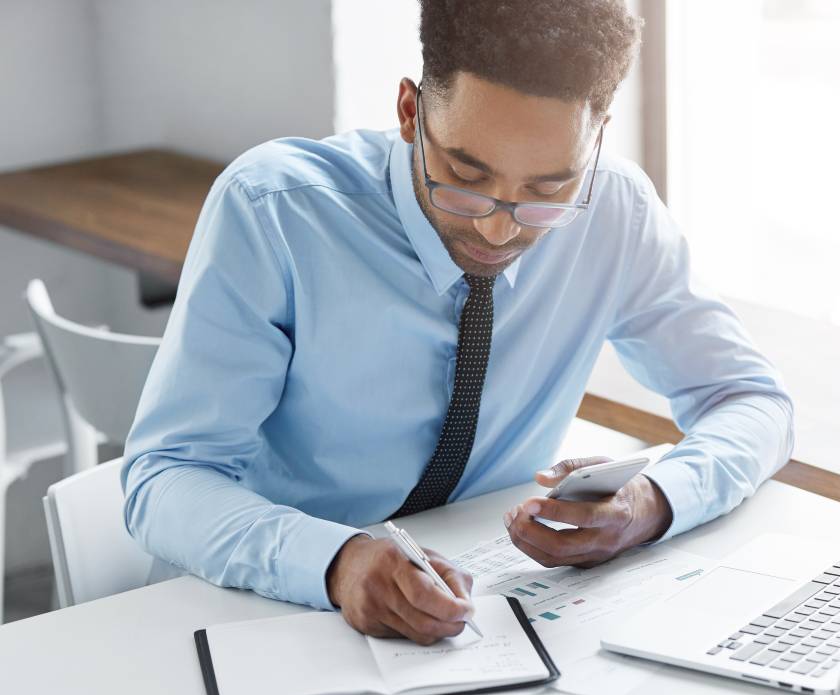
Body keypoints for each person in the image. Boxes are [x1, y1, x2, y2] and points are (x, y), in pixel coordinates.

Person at [122, 0, 794, 644]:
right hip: (254, 611)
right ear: (411, 111)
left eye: (547, 189)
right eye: (465, 176)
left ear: (598, 137)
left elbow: (752, 403)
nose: (499, 227)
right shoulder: (275, 210)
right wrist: (338, 562)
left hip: (479, 623)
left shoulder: (615, 210)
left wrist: (653, 501)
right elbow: (166, 478)